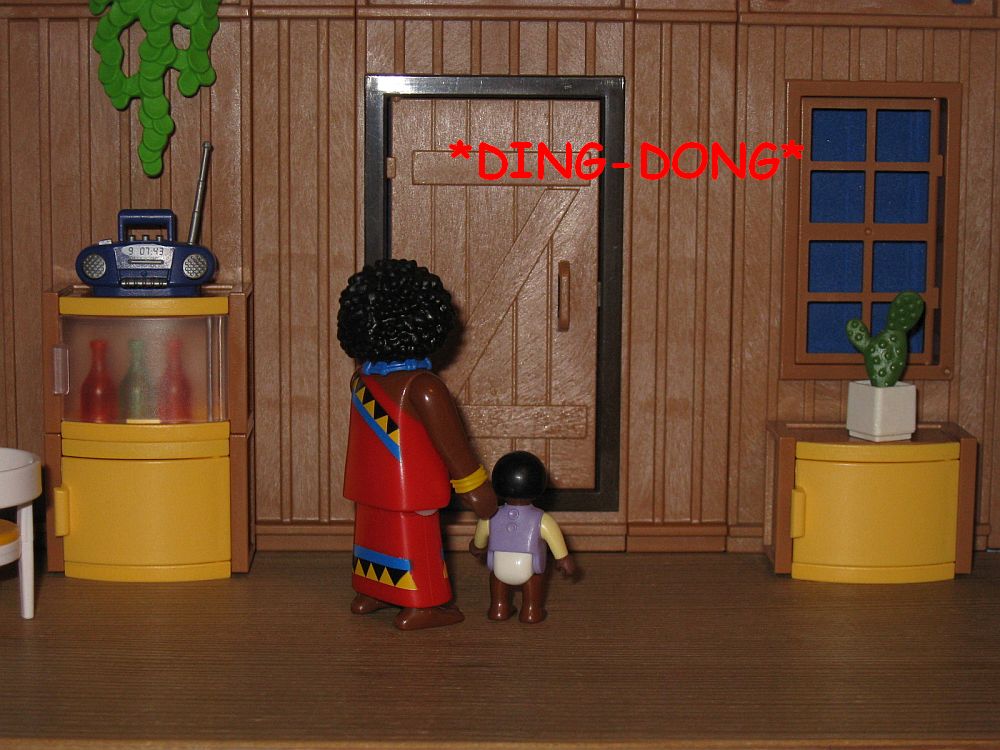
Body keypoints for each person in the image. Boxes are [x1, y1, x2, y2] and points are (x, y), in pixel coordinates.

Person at [337, 258, 497, 630]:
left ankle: (372, 591)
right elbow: (454, 449)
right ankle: (422, 604)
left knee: (375, 535)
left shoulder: (361, 380)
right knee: (415, 542)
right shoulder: (423, 388)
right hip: (411, 491)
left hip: (370, 487)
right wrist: (475, 488)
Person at [470, 450, 577, 623]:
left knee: (497, 580)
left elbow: (480, 539)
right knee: (535, 580)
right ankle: (531, 611)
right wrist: (563, 559)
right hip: (529, 570)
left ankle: (499, 608)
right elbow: (555, 541)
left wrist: (477, 547)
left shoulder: (490, 515)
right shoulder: (542, 519)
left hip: (499, 568)